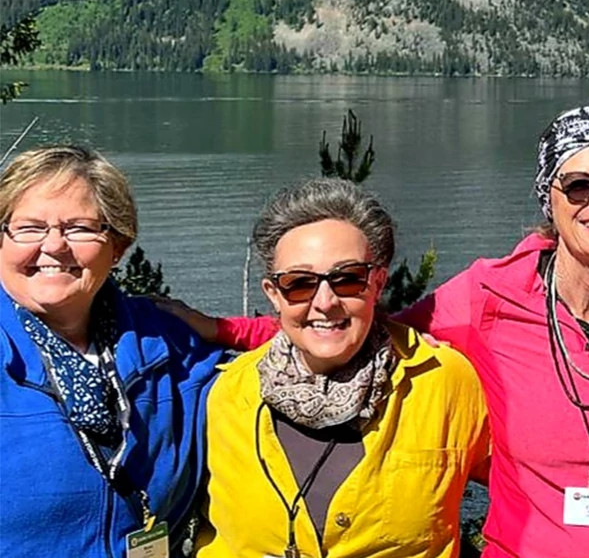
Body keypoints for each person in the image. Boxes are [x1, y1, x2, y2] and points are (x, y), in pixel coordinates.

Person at [171, 106, 589, 558]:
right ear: (547, 199)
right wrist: (220, 328)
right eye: (578, 184)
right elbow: (354, 322)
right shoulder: (492, 294)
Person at [194, 178, 489, 558]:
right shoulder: (226, 396)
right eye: (299, 283)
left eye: (347, 279)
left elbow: (529, 487)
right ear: (273, 294)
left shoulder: (443, 382)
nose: (325, 302)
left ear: (377, 283)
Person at [0, 145, 223, 557]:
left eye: (80, 228)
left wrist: (225, 329)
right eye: (29, 228)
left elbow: (281, 367)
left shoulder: (168, 344)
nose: (54, 246)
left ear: (117, 246)